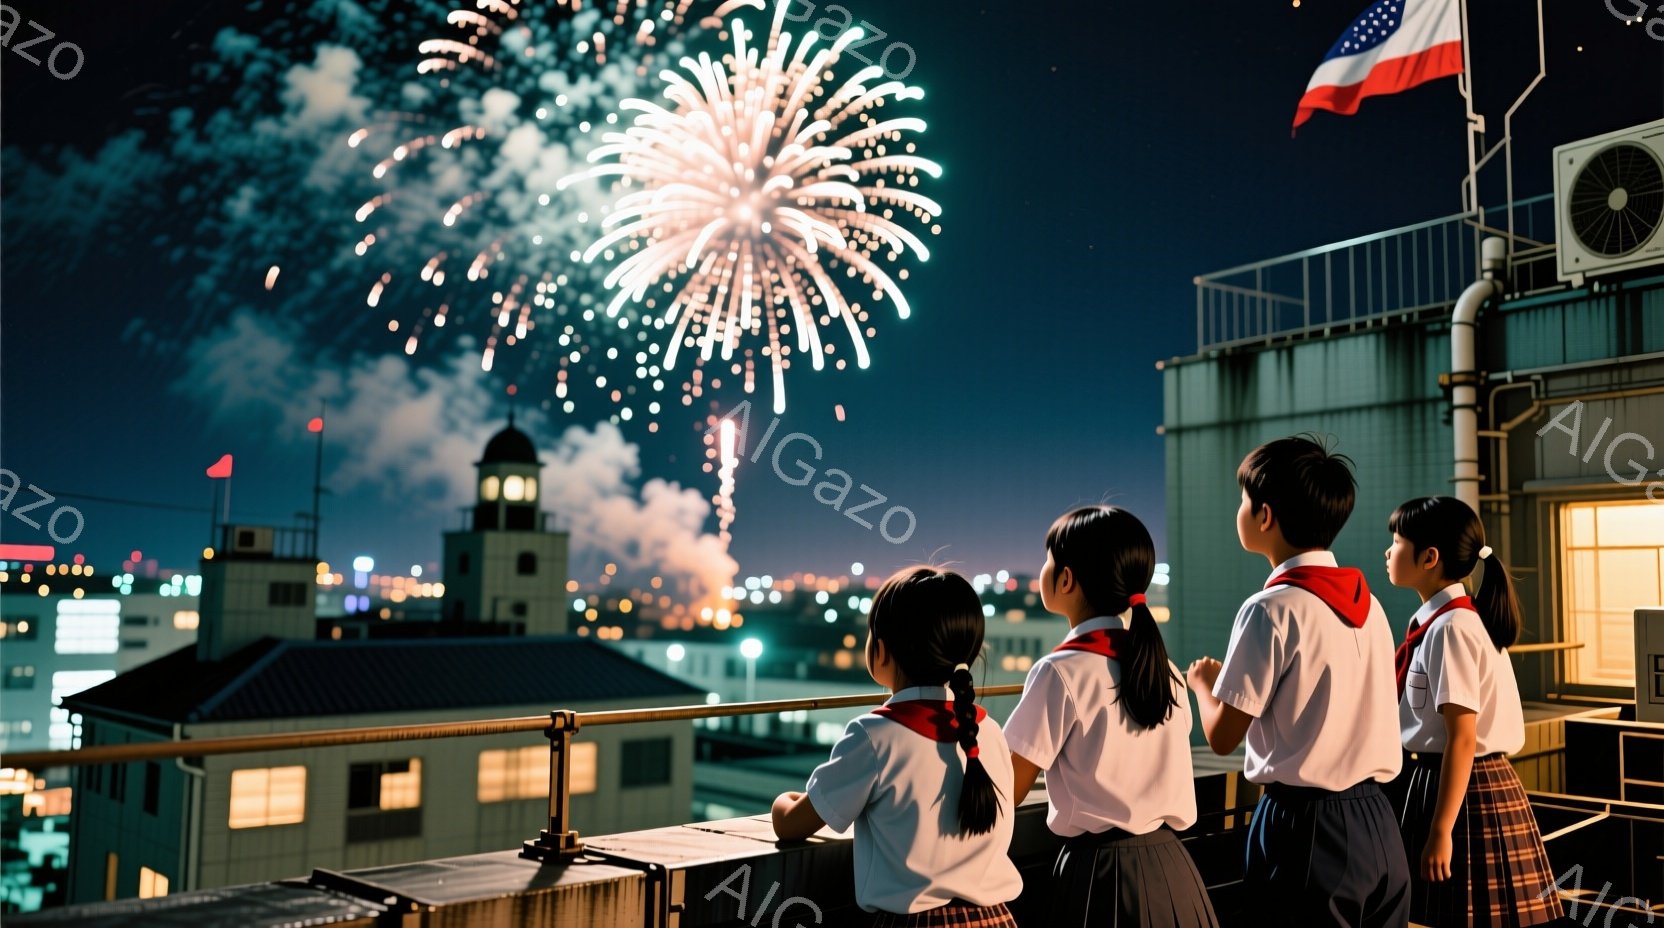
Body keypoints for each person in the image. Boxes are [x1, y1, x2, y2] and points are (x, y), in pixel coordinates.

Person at [1185, 435, 1410, 928]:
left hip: (1305, 827)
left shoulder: (1269, 609)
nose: (1239, 511)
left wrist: (1202, 684)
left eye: (1243, 500)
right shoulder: (1369, 606)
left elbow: (1223, 736)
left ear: (1265, 516)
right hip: (1379, 820)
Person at [1004, 505, 1220, 927]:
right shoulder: (1166, 671)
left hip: (1100, 878)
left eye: (1049, 559)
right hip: (1173, 869)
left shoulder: (1059, 672)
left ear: (1066, 579)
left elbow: (1006, 790)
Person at [771, 566, 1022, 928]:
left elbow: (792, 824)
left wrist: (783, 802)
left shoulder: (875, 735)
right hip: (996, 919)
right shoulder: (990, 732)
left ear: (882, 651)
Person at [1384, 497, 1563, 927]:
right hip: (1455, 782)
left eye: (1396, 542)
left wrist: (1442, 830)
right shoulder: (1447, 622)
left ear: (1430, 558)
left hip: (1464, 789)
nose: (1388, 552)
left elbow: (1463, 737)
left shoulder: (1451, 629)